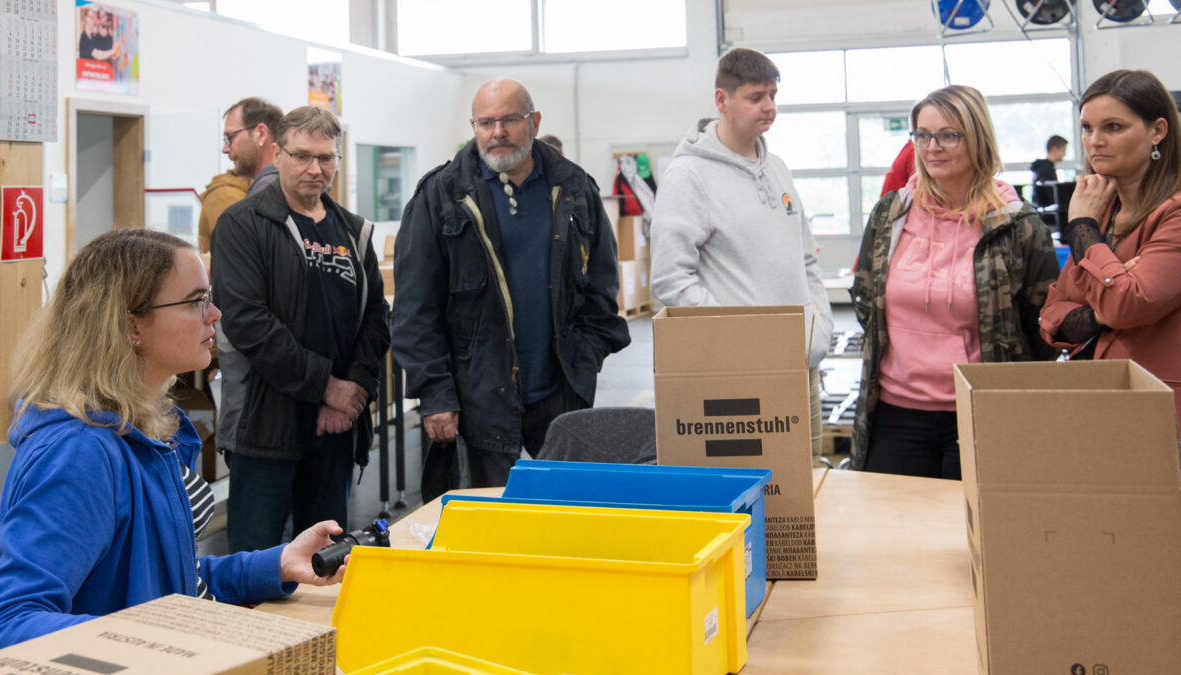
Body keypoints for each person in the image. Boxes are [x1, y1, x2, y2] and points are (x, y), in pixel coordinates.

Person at [0, 229, 346, 655]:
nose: (216, 315)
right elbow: (7, 621)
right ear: (130, 324)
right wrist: (158, 648)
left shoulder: (144, 426)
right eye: (196, 302)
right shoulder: (78, 452)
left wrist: (276, 565)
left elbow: (169, 578)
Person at [393, 78, 630, 488]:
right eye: (485, 123)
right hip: (477, 399)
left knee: (567, 516)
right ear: (474, 126)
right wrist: (435, 394)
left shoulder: (574, 188)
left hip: (560, 395)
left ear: (534, 121)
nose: (497, 133)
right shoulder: (441, 195)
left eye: (509, 120)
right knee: (486, 529)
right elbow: (415, 308)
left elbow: (602, 291)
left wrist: (583, 362)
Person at [851, 85, 1060, 479]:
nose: (932, 147)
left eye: (949, 135)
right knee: (895, 534)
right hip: (897, 412)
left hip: (981, 412)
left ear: (978, 139)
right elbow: (866, 299)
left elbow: (1041, 323)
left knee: (974, 538)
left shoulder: (1016, 223)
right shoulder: (890, 214)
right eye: (923, 135)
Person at [212, 106, 389, 553]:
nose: (315, 169)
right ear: (276, 154)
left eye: (326, 158)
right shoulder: (242, 225)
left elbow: (375, 320)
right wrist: (325, 387)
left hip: (335, 430)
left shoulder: (354, 232)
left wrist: (352, 393)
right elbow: (249, 323)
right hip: (265, 430)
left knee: (325, 561)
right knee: (256, 566)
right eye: (302, 156)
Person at [650, 47, 834, 459]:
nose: (768, 107)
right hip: (740, 375)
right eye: (755, 97)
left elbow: (806, 261)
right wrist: (740, 344)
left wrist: (818, 331)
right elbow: (670, 279)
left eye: (773, 95)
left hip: (800, 366)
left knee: (811, 490)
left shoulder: (778, 167)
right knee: (758, 497)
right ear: (722, 100)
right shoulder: (688, 176)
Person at [1039, 69, 1181, 433]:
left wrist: (1082, 226)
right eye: (1087, 128)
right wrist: (1104, 312)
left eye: (1113, 127)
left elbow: (1127, 304)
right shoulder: (1105, 212)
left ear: (1158, 131)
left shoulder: (1174, 213)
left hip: (1164, 421)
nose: (1094, 141)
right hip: (1100, 409)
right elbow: (1052, 316)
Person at [198, 97, 283, 252]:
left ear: (261, 134)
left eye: (230, 137)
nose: (225, 148)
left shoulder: (271, 190)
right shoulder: (228, 193)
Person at [1030, 134, 1069, 208]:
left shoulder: (1040, 167)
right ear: (1054, 149)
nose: (1064, 154)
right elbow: (1051, 198)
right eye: (1063, 150)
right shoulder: (1047, 170)